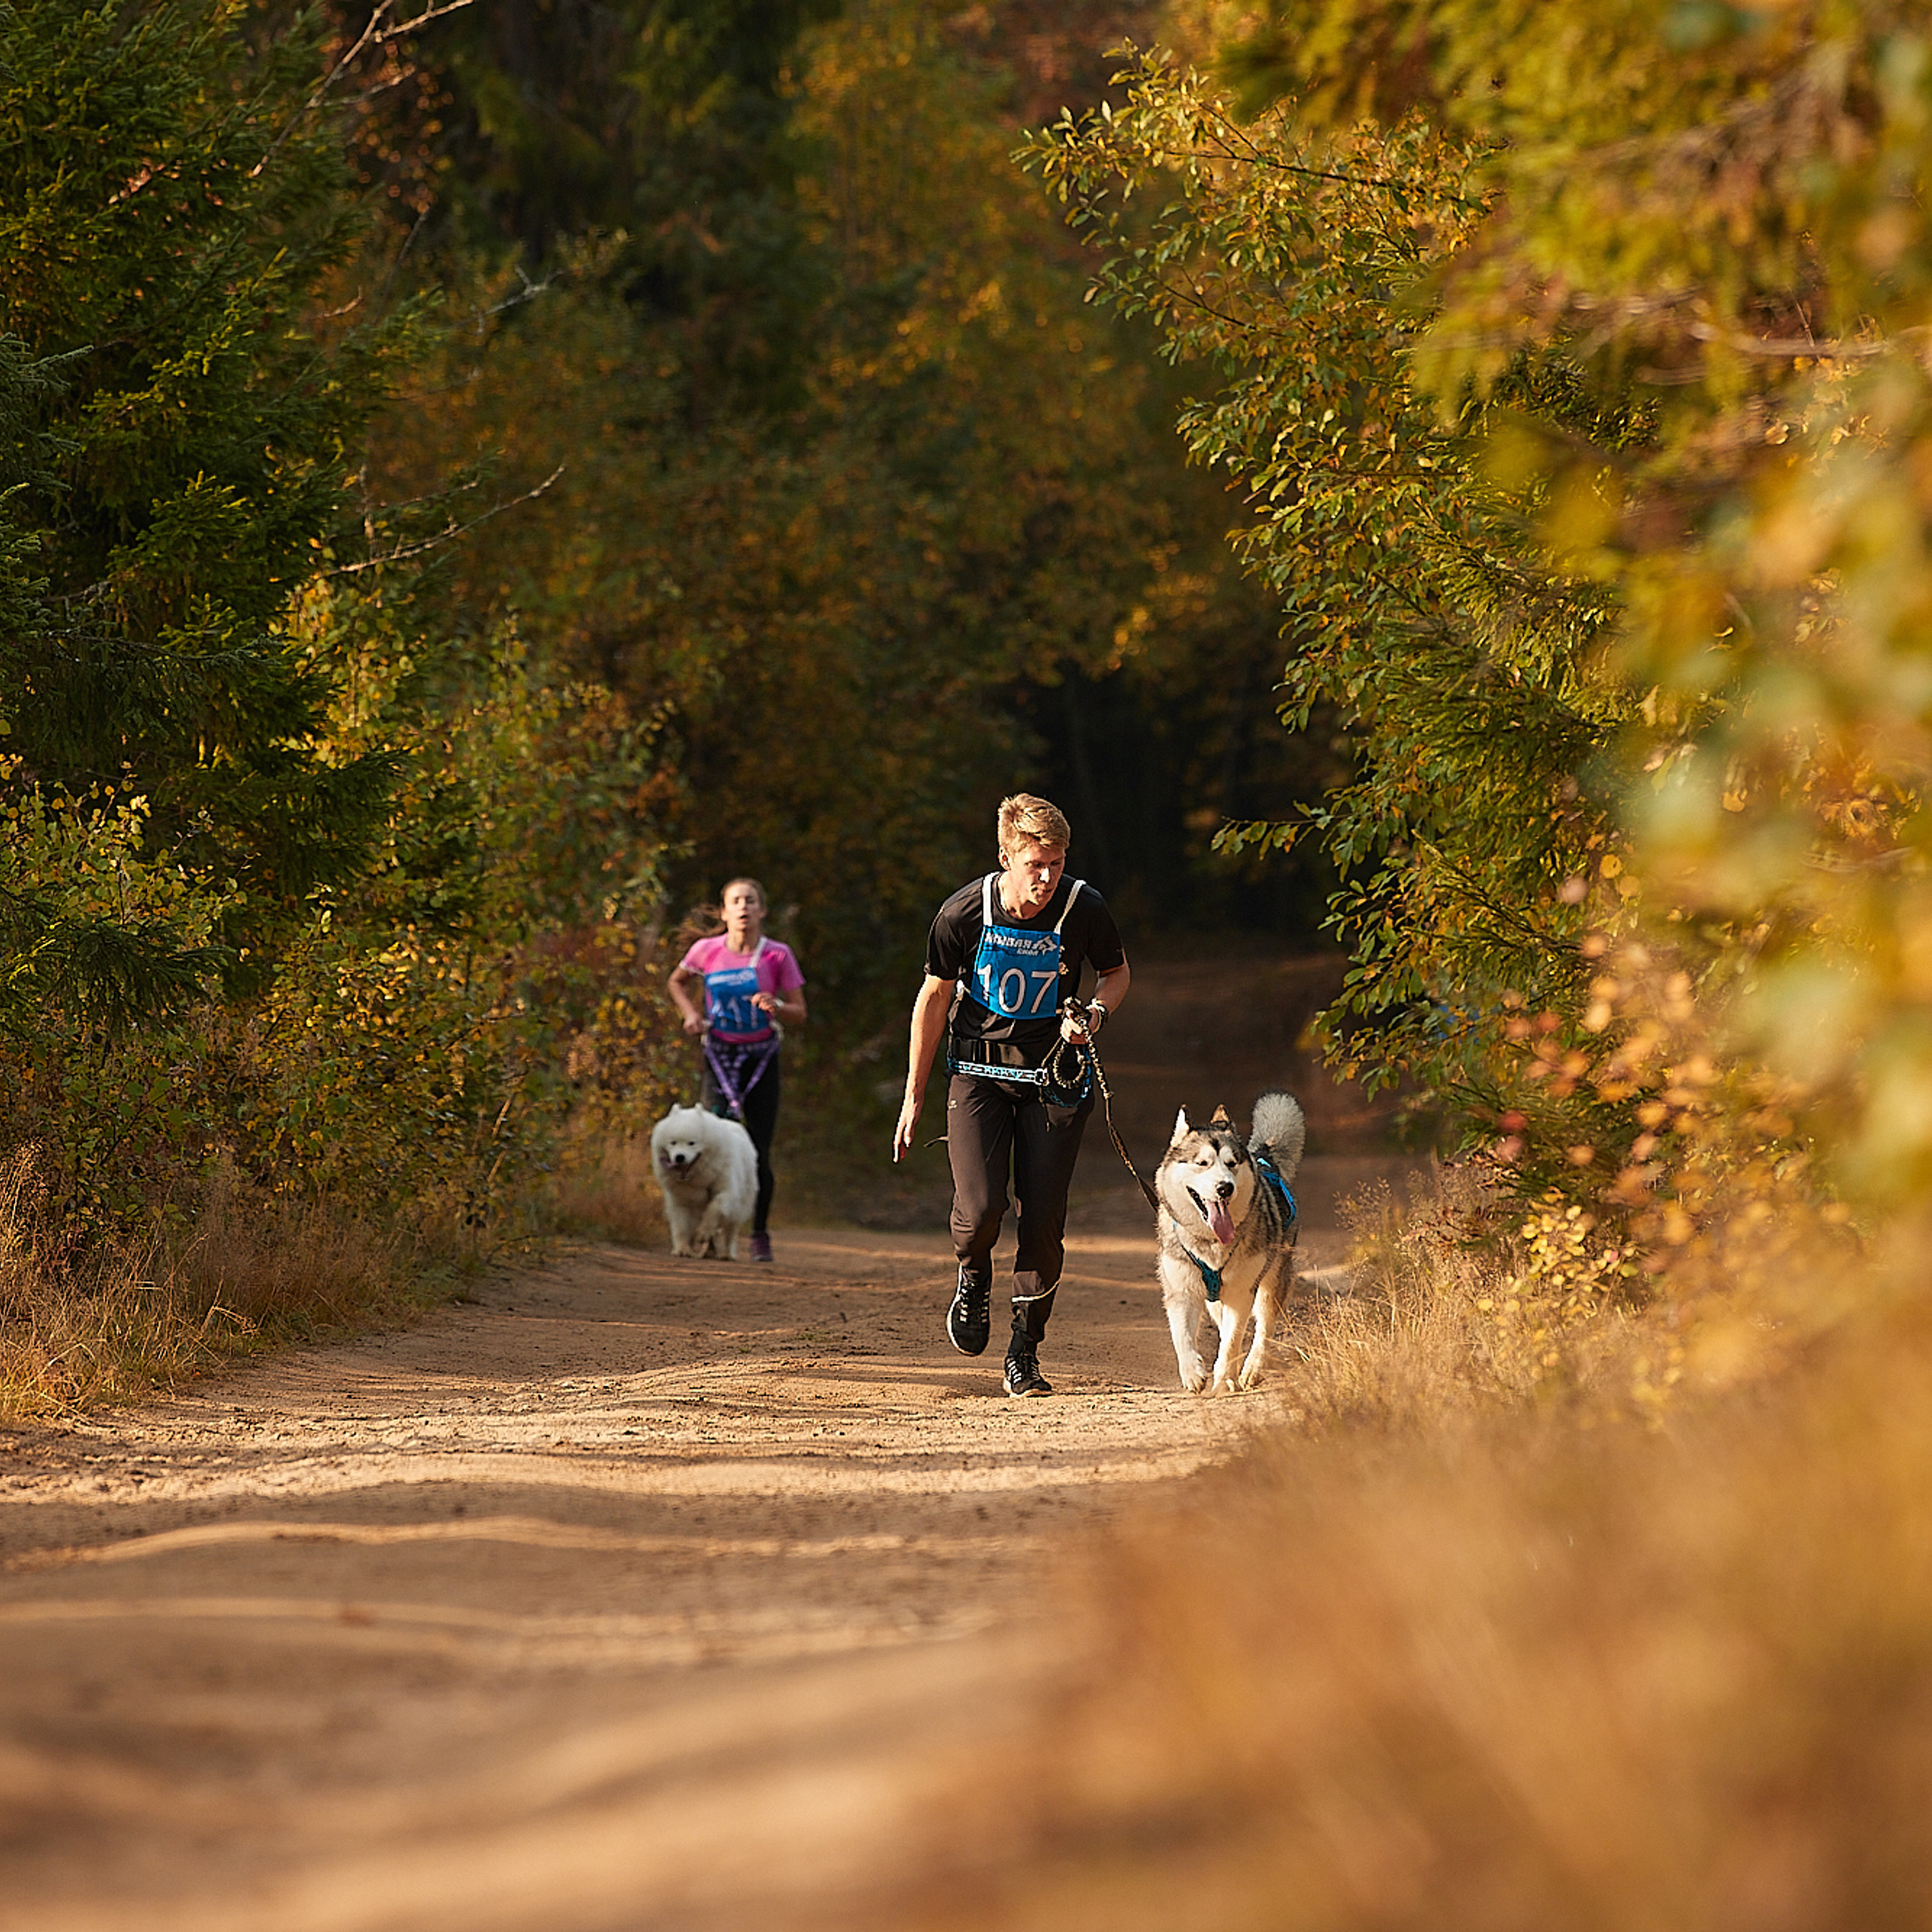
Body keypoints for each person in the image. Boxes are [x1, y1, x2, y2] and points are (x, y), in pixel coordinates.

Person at [892, 794, 1131, 1397]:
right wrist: (913, 1096)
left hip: (1055, 1079)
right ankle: (973, 1276)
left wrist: (1095, 1013)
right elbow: (934, 998)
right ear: (1007, 857)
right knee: (979, 1212)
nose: (1048, 877)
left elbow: (1116, 972)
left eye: (1056, 862)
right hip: (978, 1074)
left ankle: (1024, 1352)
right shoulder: (963, 912)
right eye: (1035, 864)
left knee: (1043, 1220)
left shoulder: (1084, 907)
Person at [668, 878, 806, 1263]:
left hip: (762, 1059)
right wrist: (692, 1014)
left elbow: (800, 1012)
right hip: (719, 1058)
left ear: (762, 911)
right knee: (714, 1144)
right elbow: (676, 982)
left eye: (751, 901)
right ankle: (709, 1229)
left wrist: (776, 1005)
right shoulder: (706, 950)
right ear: (725, 911)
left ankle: (759, 1233)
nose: (744, 907)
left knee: (757, 1150)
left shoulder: (776, 955)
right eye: (736, 901)